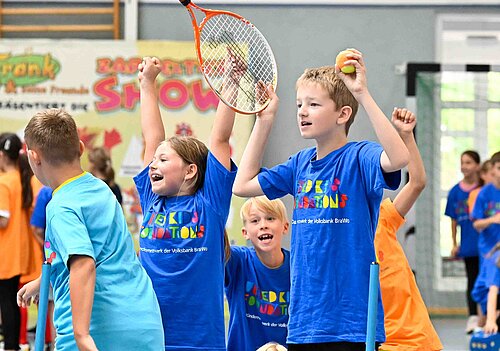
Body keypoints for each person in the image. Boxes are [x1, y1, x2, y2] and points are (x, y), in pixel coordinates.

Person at [233, 48, 409, 350]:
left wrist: (362, 93)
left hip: (353, 324)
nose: (302, 111)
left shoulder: (359, 156)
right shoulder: (298, 164)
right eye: (300, 104)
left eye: (313, 104)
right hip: (305, 322)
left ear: (343, 114)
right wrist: (265, 120)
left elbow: (399, 157)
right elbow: (243, 183)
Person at [17, 108, 164, 351]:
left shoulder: (61, 205)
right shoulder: (101, 189)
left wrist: (82, 335)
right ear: (81, 149)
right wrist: (48, 278)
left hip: (99, 330)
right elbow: (101, 249)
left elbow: (84, 263)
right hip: (143, 321)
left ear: (34, 156)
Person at [135, 56, 237, 350]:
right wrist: (147, 83)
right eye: (154, 160)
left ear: (191, 170)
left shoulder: (210, 203)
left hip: (200, 339)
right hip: (151, 336)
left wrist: (230, 83)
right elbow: (151, 137)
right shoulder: (152, 199)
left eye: (163, 160)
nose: (153, 164)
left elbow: (220, 138)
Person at [374, 108, 443, 351]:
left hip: (420, 341)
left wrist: (406, 136)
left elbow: (417, 182)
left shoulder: (382, 218)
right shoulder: (335, 241)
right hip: (381, 344)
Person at [225, 196, 290, 351]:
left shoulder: (298, 268)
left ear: (285, 227)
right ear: (245, 232)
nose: (263, 225)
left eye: (270, 218)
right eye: (255, 221)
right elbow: (215, 238)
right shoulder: (238, 261)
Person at [0, 133, 38, 351]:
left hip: (5, 253)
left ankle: (11, 345)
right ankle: (13, 344)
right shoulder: (22, 178)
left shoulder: (4, 182)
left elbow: (3, 220)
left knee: (6, 302)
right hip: (19, 252)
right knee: (11, 301)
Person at [445, 149, 481, 333]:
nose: (464, 166)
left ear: (478, 166)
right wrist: (454, 243)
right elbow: (453, 221)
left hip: (488, 245)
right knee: (472, 281)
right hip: (468, 245)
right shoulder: (454, 193)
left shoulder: (485, 190)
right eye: (462, 162)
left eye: (468, 162)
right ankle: (473, 317)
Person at [29, 185, 55, 350]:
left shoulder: (46, 192)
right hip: (86, 263)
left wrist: (48, 249)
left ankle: (55, 346)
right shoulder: (91, 187)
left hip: (54, 264)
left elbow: (36, 228)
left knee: (54, 308)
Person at [471, 151, 500, 258]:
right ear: (492, 169)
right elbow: (476, 224)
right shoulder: (484, 193)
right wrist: (493, 219)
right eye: (499, 168)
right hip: (488, 250)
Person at [472, 243, 500, 335]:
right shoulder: (497, 261)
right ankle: (482, 326)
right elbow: (492, 291)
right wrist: (491, 321)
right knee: (487, 324)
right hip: (485, 295)